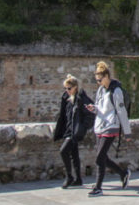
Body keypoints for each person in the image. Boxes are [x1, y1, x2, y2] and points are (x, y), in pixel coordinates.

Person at [84, 61, 131, 196]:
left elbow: (122, 112)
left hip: (111, 126)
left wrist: (127, 132)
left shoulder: (116, 91)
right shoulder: (100, 90)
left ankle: (98, 187)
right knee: (102, 157)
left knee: (99, 157)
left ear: (106, 76)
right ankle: (123, 173)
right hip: (100, 126)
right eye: (97, 80)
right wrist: (94, 109)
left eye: (100, 79)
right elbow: (101, 108)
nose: (98, 82)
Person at [52, 74, 94, 188]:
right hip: (69, 130)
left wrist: (82, 128)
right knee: (74, 154)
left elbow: (90, 114)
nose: (67, 91)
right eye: (65, 88)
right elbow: (64, 115)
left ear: (75, 87)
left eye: (69, 88)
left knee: (63, 151)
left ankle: (69, 176)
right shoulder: (67, 98)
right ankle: (78, 179)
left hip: (75, 131)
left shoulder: (82, 99)